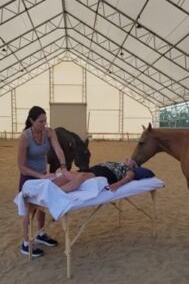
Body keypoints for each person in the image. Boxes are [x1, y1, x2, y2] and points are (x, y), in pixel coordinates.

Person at [17, 106, 69, 257]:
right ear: (32, 121)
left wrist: (64, 168)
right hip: (28, 177)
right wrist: (40, 177)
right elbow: (20, 165)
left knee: (42, 207)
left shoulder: (49, 132)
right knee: (29, 209)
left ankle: (41, 233)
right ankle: (25, 243)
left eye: (45, 120)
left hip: (43, 175)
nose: (44, 124)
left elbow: (59, 151)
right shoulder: (25, 137)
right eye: (41, 121)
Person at [52, 158, 155, 193]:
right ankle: (48, 187)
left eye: (130, 161)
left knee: (83, 176)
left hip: (108, 173)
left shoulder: (130, 170)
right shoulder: (119, 164)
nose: (128, 159)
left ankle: (58, 192)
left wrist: (117, 185)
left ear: (134, 166)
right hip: (97, 168)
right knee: (69, 175)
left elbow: (129, 178)